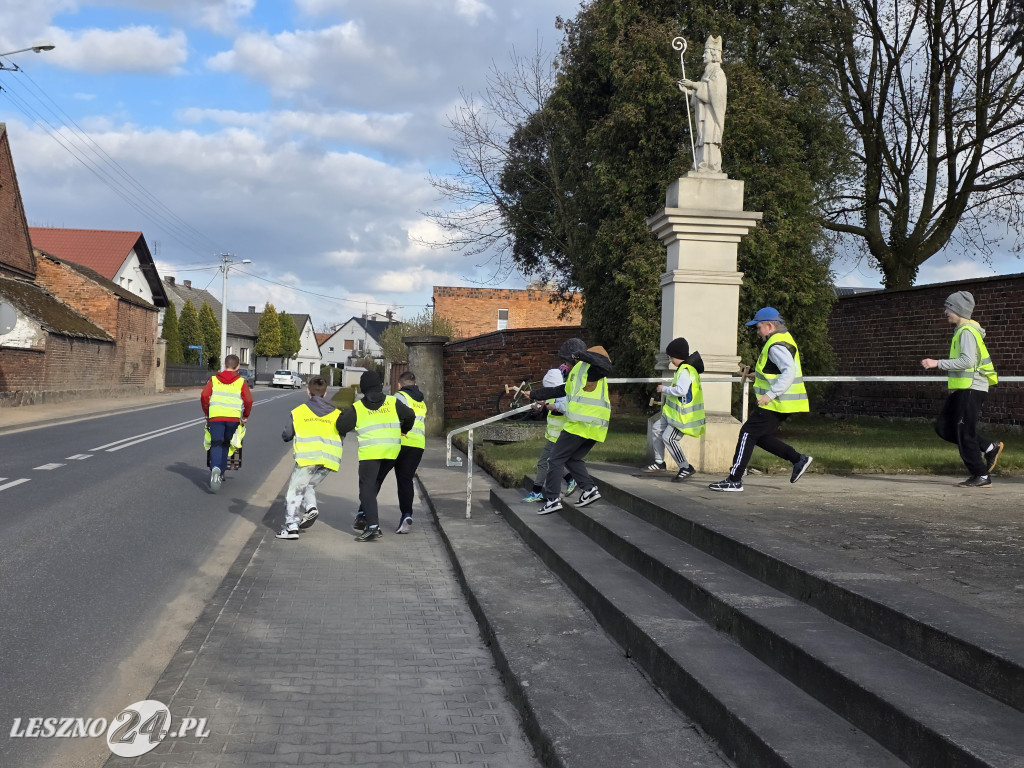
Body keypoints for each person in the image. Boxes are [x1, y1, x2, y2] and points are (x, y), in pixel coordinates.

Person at [709, 308, 812, 492]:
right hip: (782, 403)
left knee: (747, 433)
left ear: (770, 326)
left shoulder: (776, 345)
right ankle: (798, 459)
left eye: (759, 327)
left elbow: (789, 373)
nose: (757, 331)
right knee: (759, 436)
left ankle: (734, 479)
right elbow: (775, 371)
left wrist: (769, 395)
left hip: (775, 402)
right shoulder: (781, 340)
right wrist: (756, 376)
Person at [921, 291, 1002, 488]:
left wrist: (936, 363)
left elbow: (967, 361)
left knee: (964, 432)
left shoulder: (967, 332)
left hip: (972, 388)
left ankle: (981, 475)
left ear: (958, 310)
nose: (945, 312)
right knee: (944, 428)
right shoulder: (961, 331)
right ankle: (989, 447)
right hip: (964, 388)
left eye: (948, 308)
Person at [528, 339, 612, 515]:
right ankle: (589, 489)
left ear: (573, 358)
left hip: (580, 425)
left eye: (566, 361)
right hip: (594, 426)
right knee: (572, 459)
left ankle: (552, 499)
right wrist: (534, 394)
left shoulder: (591, 370)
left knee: (554, 459)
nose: (565, 365)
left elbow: (606, 366)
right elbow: (559, 390)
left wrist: (581, 356)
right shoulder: (577, 375)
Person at [338, 370, 415, 542]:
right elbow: (410, 415)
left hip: (371, 454)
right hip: (392, 452)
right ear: (380, 386)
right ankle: (363, 514)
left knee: (366, 488)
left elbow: (341, 426)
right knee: (375, 483)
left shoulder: (358, 407)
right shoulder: (392, 402)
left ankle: (373, 527)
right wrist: (404, 430)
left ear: (363, 387)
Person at [360, 370, 427, 533]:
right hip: (417, 446)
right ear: (415, 384)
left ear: (399, 385)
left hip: (398, 443)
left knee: (377, 477)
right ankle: (406, 515)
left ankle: (363, 513)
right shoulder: (422, 401)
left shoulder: (398, 397)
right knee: (406, 480)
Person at [277, 376, 342, 540]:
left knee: (294, 491)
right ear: (325, 393)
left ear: (308, 392)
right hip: (329, 460)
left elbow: (287, 434)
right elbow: (342, 434)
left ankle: (291, 527)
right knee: (308, 486)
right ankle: (311, 508)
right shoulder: (336, 413)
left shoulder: (299, 412)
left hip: (308, 458)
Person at [643, 337, 705, 481]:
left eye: (671, 356)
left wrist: (664, 389)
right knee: (657, 429)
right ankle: (659, 462)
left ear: (677, 356)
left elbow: (682, 391)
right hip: (673, 414)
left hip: (683, 416)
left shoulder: (685, 371)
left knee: (668, 438)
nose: (670, 359)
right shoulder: (684, 369)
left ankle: (685, 467)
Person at [522, 365, 578, 503]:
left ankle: (537, 491)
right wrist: (540, 405)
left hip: (560, 435)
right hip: (553, 436)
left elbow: (564, 408)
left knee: (544, 462)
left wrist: (554, 407)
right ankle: (571, 479)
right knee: (551, 462)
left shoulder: (563, 395)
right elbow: (547, 405)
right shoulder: (555, 394)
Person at [200, 353, 253, 493]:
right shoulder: (241, 382)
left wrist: (207, 413)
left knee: (216, 443)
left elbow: (204, 396)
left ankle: (216, 468)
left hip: (215, 417)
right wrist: (245, 416)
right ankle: (221, 471)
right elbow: (248, 400)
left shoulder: (213, 380)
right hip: (233, 419)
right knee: (225, 443)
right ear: (238, 367)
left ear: (224, 365)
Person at [677, 35, 727, 174]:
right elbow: (703, 94)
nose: (703, 55)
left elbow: (714, 95)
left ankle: (709, 164)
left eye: (706, 52)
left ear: (713, 54)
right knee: (703, 138)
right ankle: (701, 162)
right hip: (705, 115)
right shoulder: (708, 73)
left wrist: (693, 84)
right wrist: (688, 92)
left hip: (712, 116)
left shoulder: (718, 73)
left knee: (709, 138)